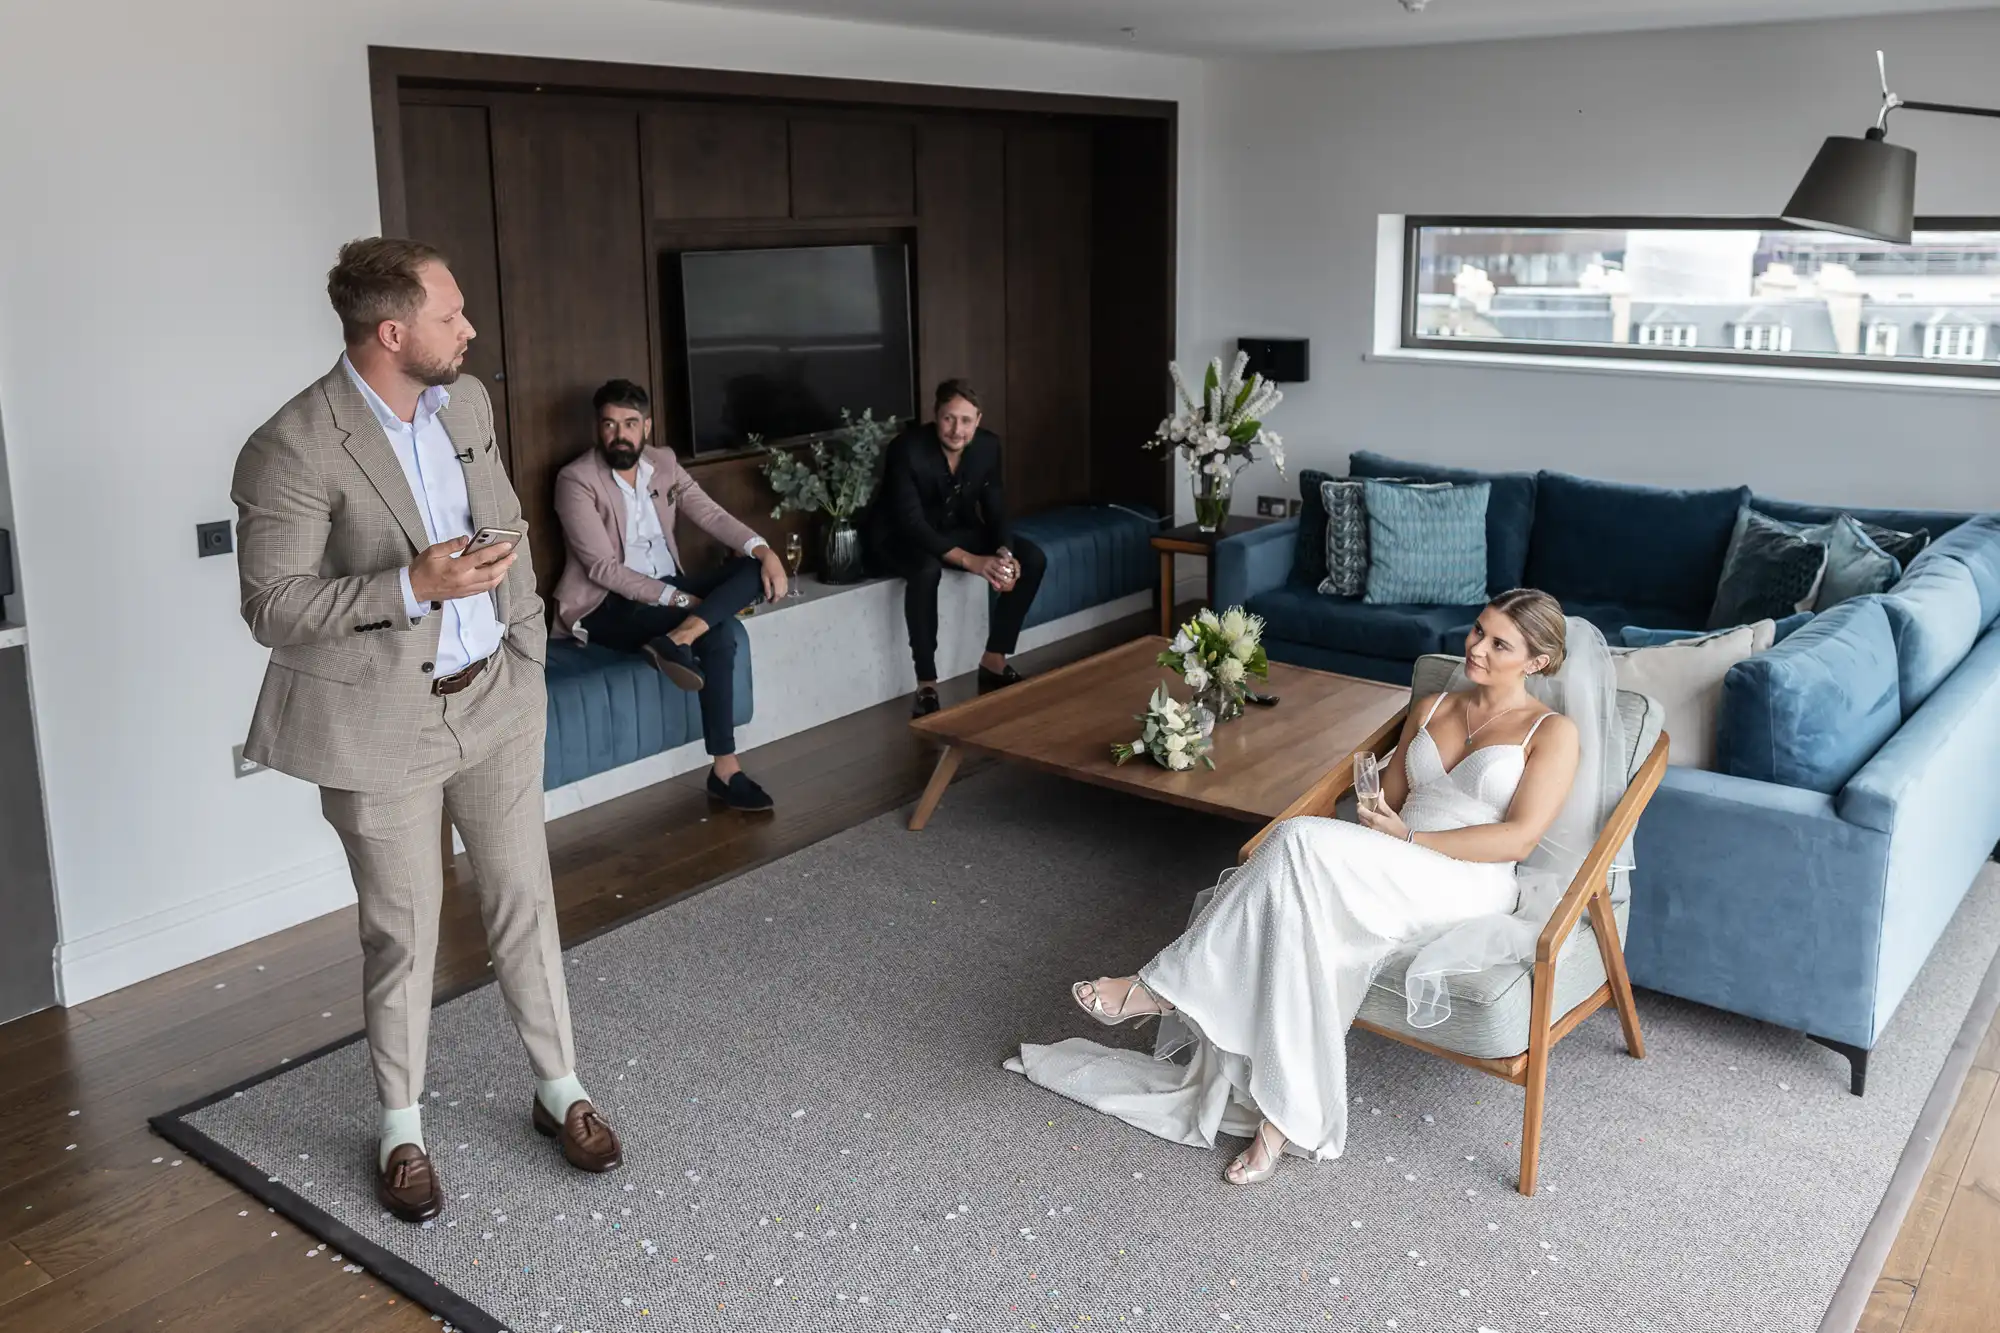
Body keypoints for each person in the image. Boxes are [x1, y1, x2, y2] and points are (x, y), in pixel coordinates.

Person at [231, 238, 620, 1225]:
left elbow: (509, 532)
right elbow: (272, 606)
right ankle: (401, 1128)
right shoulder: (290, 445)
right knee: (402, 933)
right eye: (452, 315)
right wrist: (412, 586)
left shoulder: (470, 404)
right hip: (378, 727)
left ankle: (558, 1089)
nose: (470, 329)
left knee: (523, 900)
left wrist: (526, 657)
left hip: (495, 698)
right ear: (391, 331)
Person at [1008, 590, 1634, 1185]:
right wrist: (1379, 812)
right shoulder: (1435, 704)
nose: (1477, 649)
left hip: (1468, 881)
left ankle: (1162, 990)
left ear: (1539, 661)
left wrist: (1411, 841)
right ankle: (1282, 1124)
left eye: (1501, 645)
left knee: (1297, 839)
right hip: (1389, 862)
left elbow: (1518, 840)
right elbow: (1387, 800)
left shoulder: (1552, 732)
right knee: (1305, 929)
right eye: (1479, 631)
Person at [551, 379, 786, 813]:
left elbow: (710, 513)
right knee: (722, 631)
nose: (618, 434)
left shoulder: (664, 464)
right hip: (607, 606)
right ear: (597, 428)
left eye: (629, 423)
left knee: (751, 569)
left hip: (668, 590)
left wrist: (765, 549)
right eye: (609, 424)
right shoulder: (576, 480)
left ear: (647, 426)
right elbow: (603, 569)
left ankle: (679, 639)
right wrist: (685, 604)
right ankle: (726, 771)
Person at [877, 379, 1045, 717]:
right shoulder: (906, 449)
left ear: (978, 420)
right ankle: (926, 682)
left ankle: (994, 659)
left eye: (966, 421)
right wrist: (972, 562)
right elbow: (912, 524)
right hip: (902, 538)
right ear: (935, 416)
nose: (957, 430)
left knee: (1033, 558)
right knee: (926, 571)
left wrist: (1003, 556)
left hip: (958, 529)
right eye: (949, 418)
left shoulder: (987, 447)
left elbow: (995, 508)